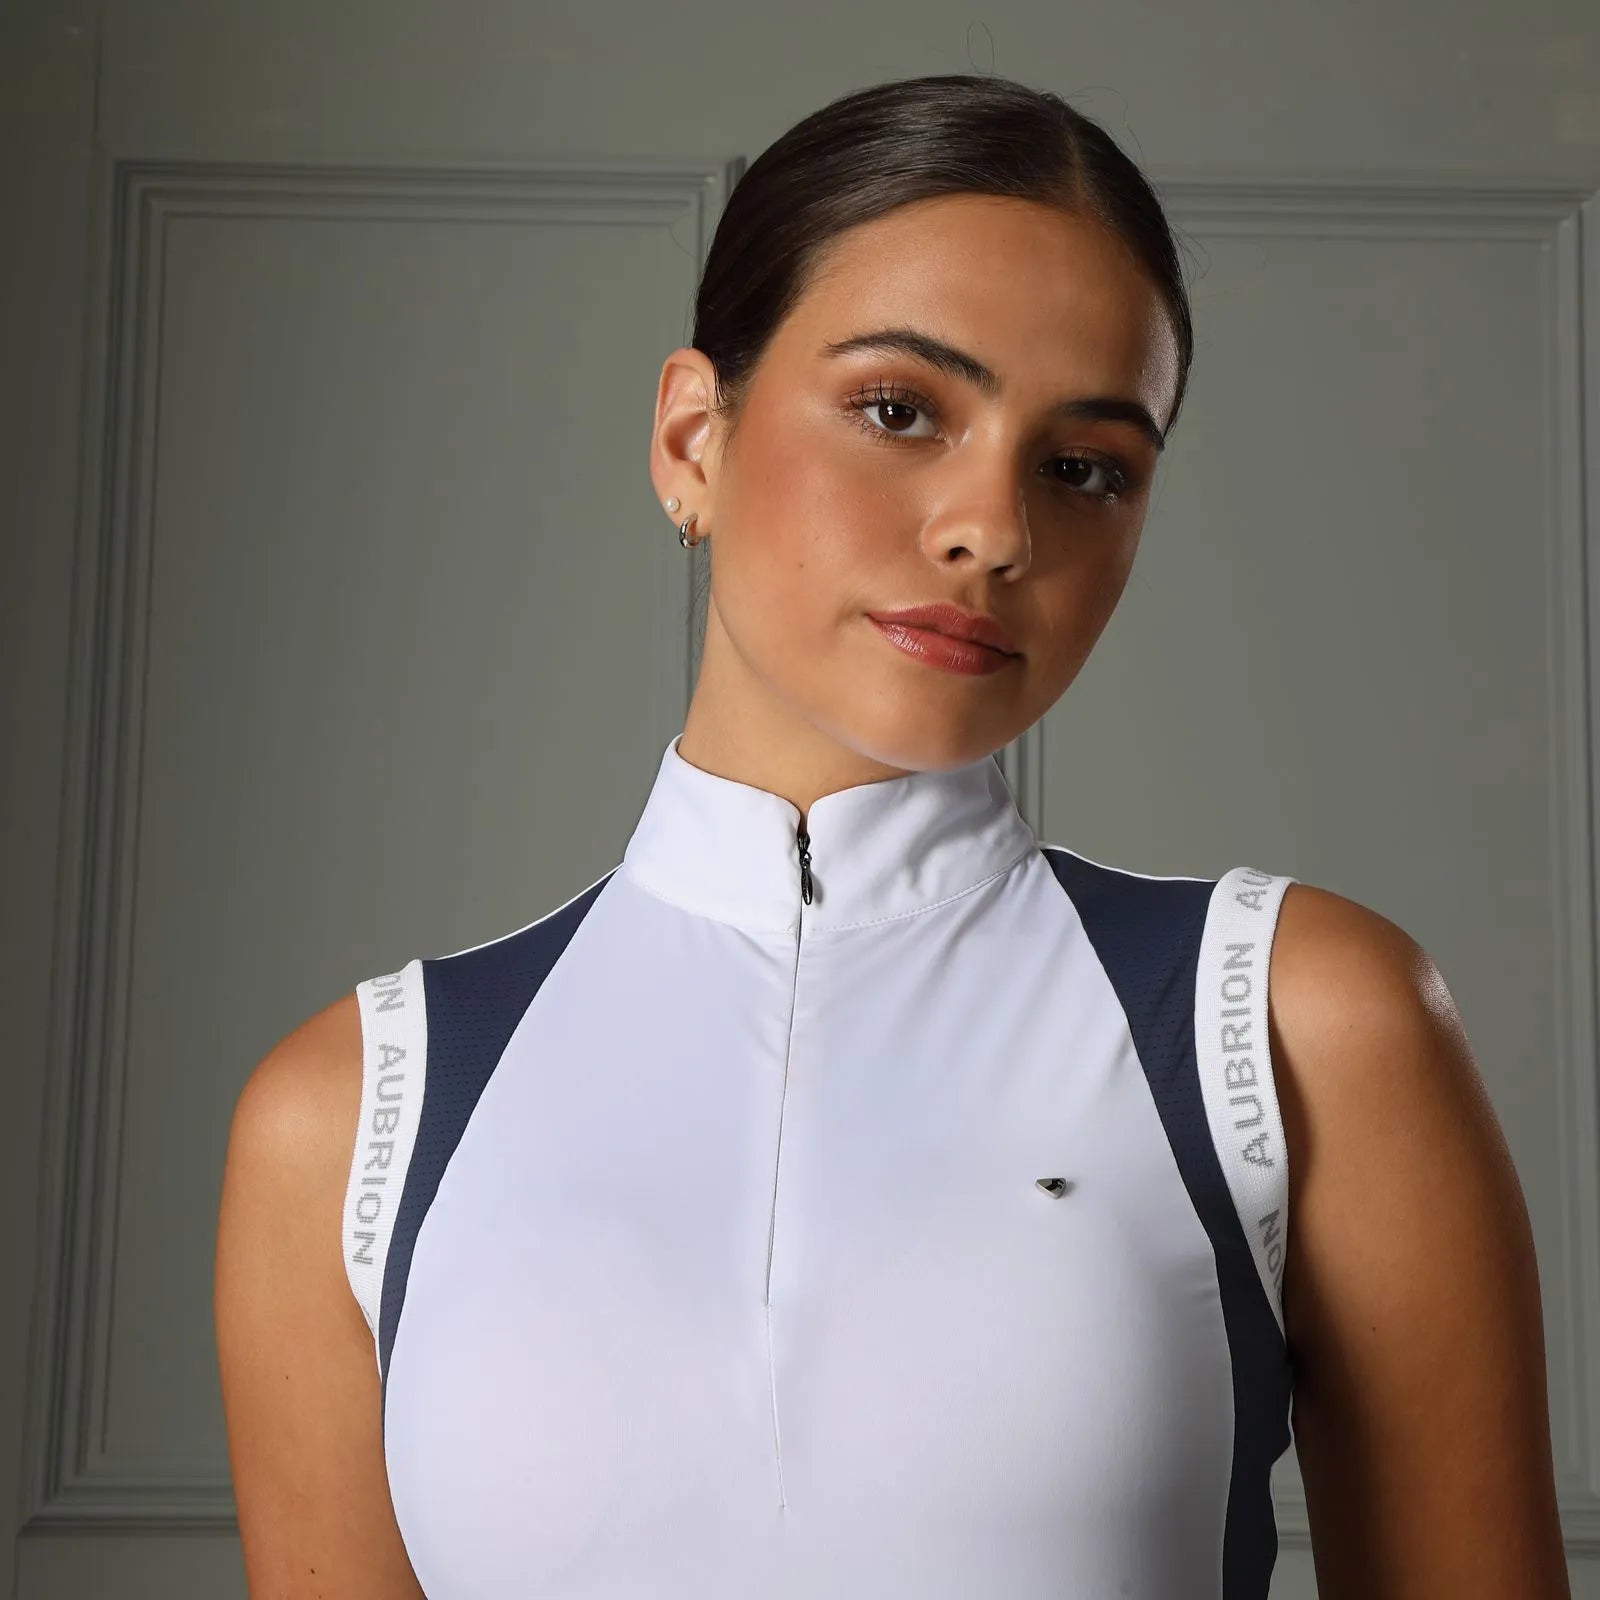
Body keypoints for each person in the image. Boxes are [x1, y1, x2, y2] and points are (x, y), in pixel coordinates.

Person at [214, 72, 1571, 1600]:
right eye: (899, 409)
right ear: (691, 439)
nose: (993, 529)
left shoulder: (1292, 1027)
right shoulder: (349, 1123)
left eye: (1084, 467)